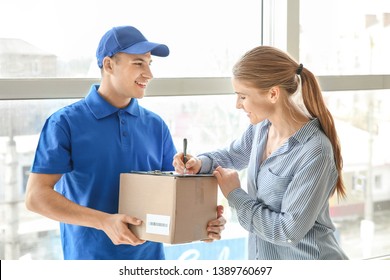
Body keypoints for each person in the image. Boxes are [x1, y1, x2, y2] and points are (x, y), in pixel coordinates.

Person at [25, 25, 225, 260]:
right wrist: (104, 222)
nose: (149, 74)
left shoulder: (155, 125)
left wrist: (202, 223)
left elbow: (171, 198)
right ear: (109, 65)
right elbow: (36, 197)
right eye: (138, 63)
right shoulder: (64, 123)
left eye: (150, 63)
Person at [173, 46, 348, 260]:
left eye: (243, 96)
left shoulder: (315, 151)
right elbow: (231, 155)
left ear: (273, 93)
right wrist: (199, 163)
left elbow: (287, 231)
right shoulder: (261, 128)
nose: (238, 105)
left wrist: (235, 194)